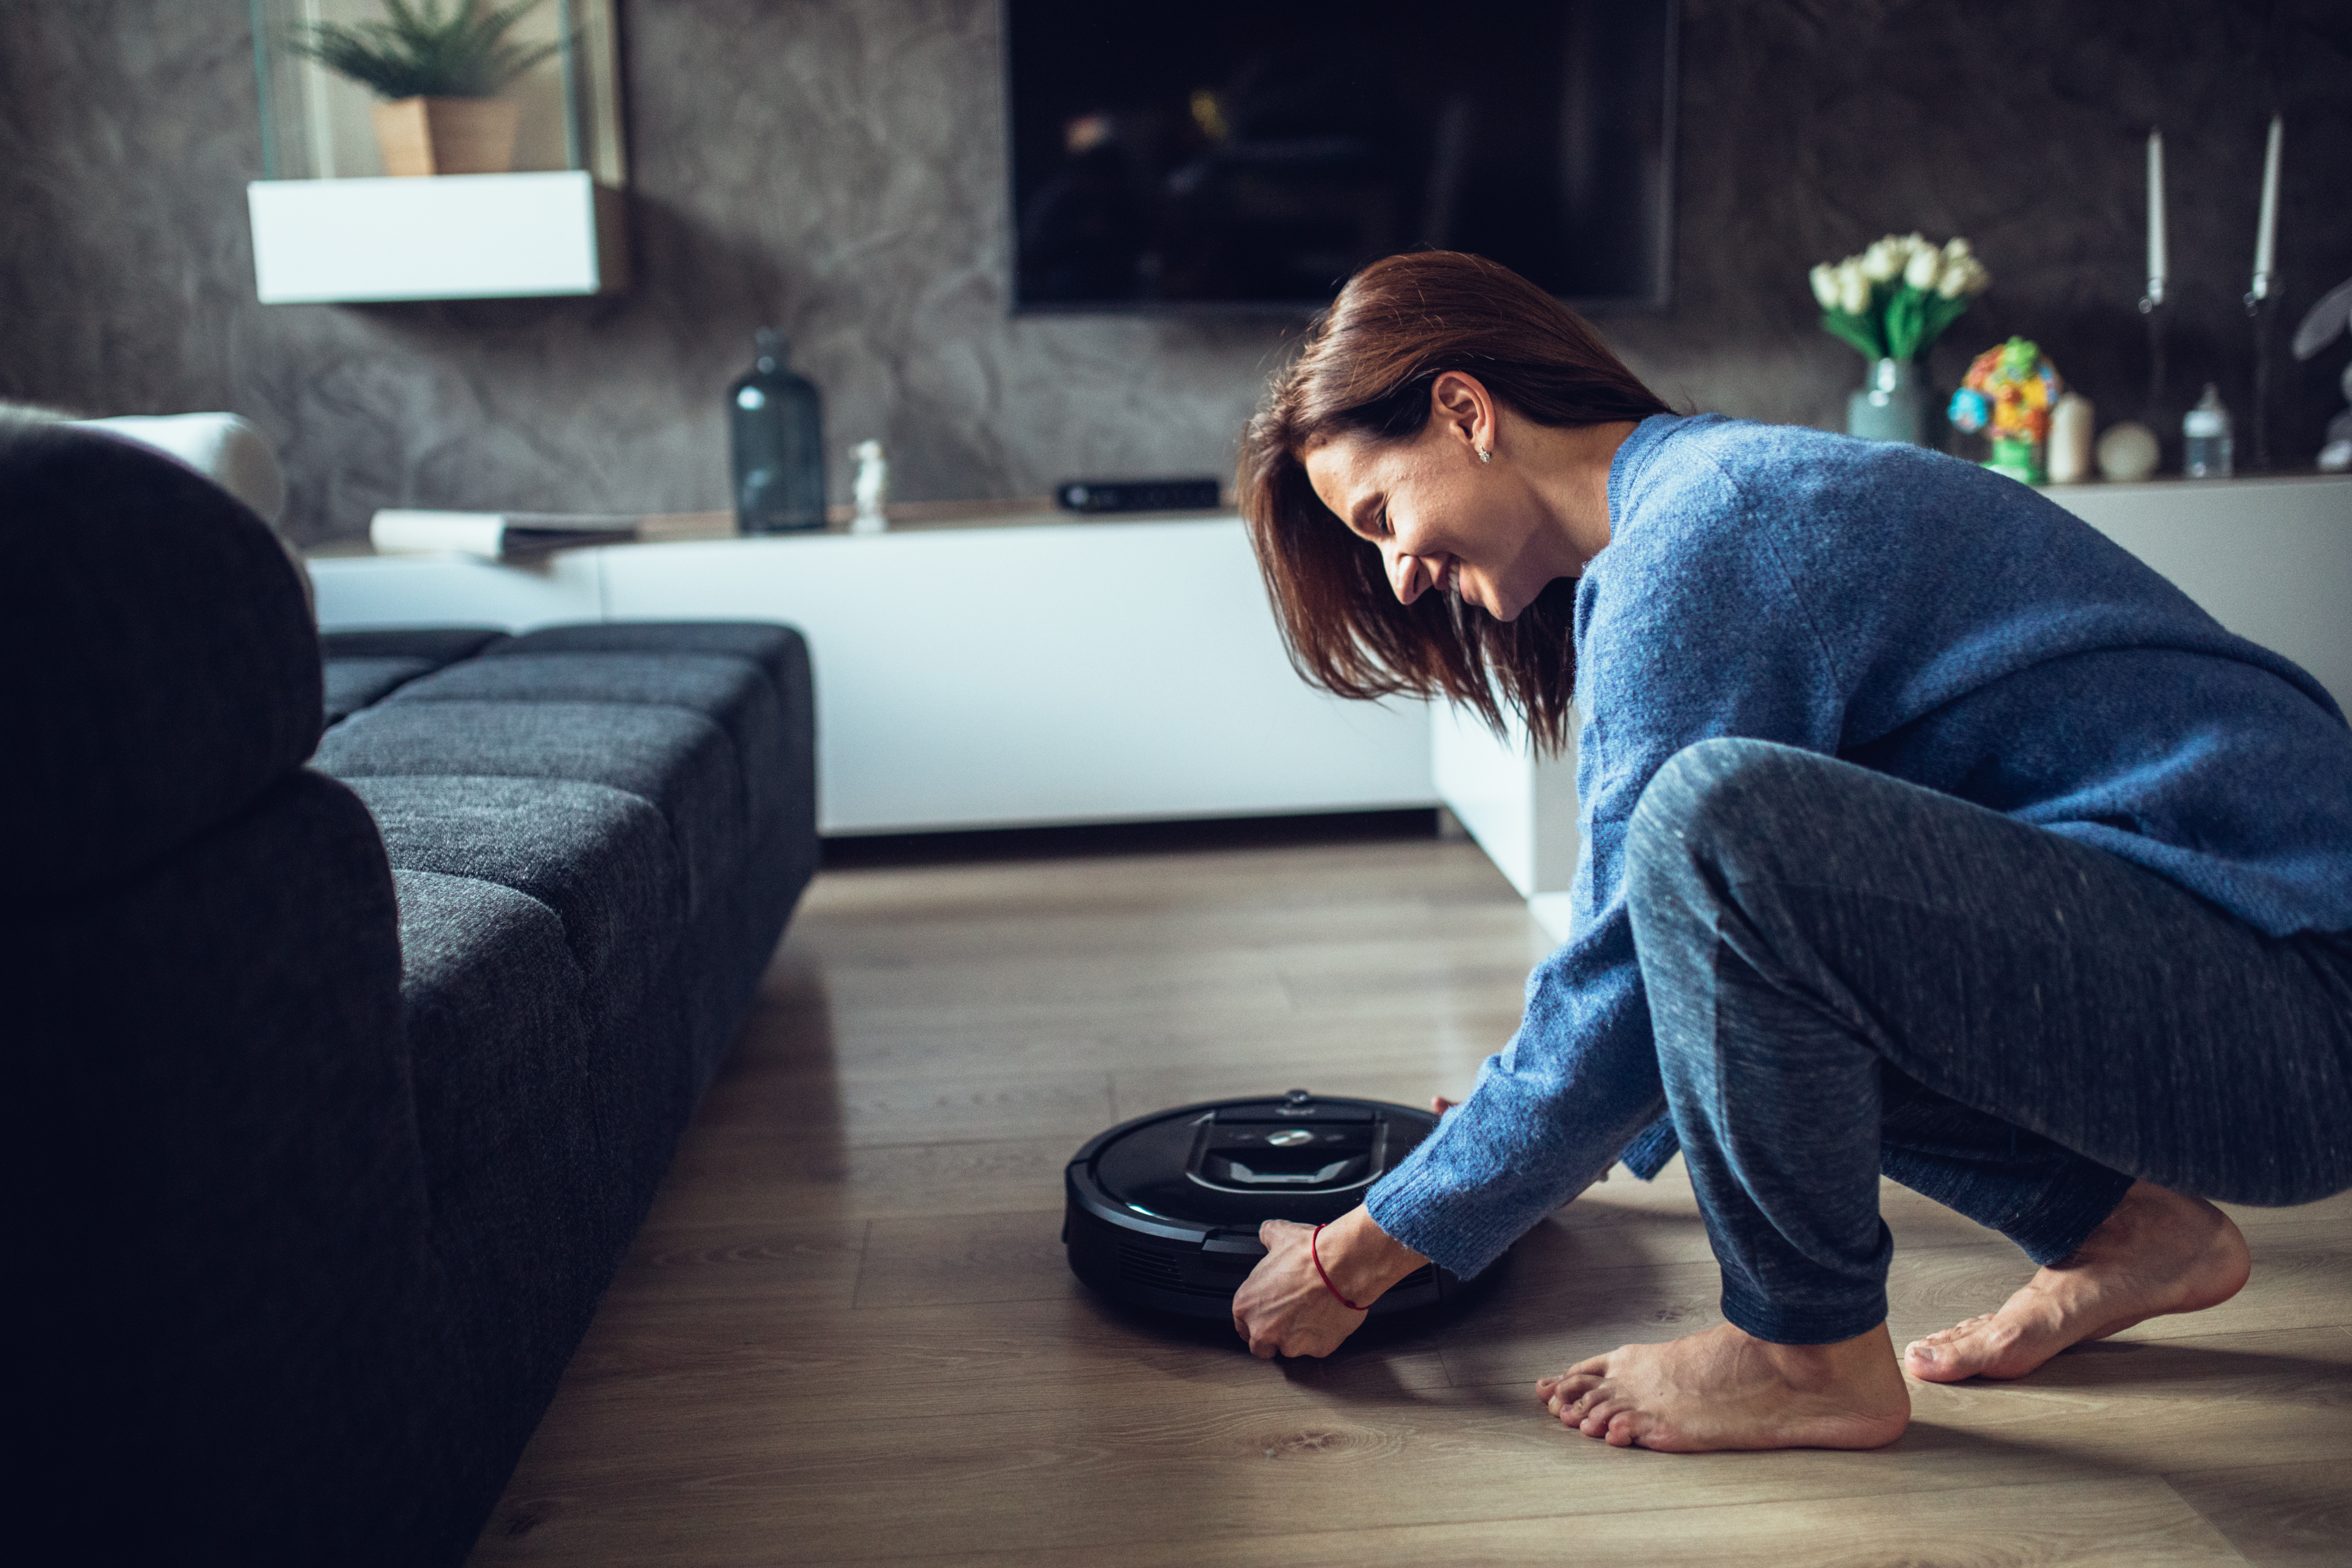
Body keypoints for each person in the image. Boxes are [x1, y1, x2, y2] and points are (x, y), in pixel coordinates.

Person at [1227, 250, 2352, 1453]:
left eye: (1384, 519)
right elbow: (1694, 972)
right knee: (1731, 898)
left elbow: (1628, 984)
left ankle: (1805, 1354)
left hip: (2293, 1014)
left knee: (1710, 822)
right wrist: (1535, 1146)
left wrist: (1361, 1253)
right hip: (2237, 998)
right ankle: (2123, 1229)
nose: (1400, 581)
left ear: (1464, 411)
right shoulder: (1705, 503)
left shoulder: (1699, 538)